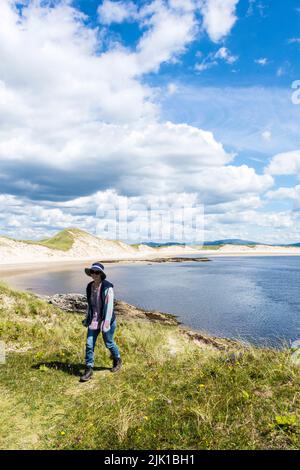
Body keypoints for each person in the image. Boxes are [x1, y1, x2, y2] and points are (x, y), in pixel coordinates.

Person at [80, 262, 122, 382]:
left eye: (97, 272)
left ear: (101, 274)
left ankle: (117, 359)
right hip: (93, 320)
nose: (94, 274)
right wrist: (87, 318)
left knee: (109, 343)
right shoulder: (89, 286)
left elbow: (109, 306)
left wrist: (106, 323)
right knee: (89, 344)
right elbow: (90, 304)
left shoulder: (107, 287)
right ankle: (89, 369)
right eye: (92, 272)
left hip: (106, 320)